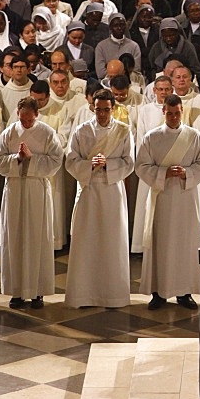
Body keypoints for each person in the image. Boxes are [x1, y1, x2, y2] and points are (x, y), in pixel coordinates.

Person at [136, 94, 200, 311]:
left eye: (177, 113)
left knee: (185, 244)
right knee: (162, 243)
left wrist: (187, 172)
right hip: (163, 198)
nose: (174, 117)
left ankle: (184, 292)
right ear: (163, 112)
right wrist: (163, 173)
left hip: (187, 199)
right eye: (170, 113)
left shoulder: (194, 136)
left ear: (182, 111)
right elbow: (141, 166)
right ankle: (159, 293)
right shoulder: (152, 137)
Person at [64, 89, 134, 308]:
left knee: (112, 241)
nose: (102, 114)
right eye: (98, 109)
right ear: (92, 108)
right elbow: (70, 160)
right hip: (89, 190)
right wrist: (90, 165)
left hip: (112, 191)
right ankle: (84, 295)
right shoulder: (82, 131)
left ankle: (113, 295)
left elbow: (130, 161)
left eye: (106, 110)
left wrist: (109, 165)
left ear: (112, 109)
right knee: (87, 240)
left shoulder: (123, 131)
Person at [0, 96, 63, 309]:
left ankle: (37, 292)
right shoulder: (9, 133)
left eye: (29, 120)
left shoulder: (46, 133)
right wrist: (17, 158)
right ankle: (16, 292)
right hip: (14, 189)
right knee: (14, 237)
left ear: (37, 115)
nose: (25, 124)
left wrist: (32, 158)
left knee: (37, 237)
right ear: (17, 113)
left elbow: (56, 161)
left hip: (36, 189)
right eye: (22, 120)